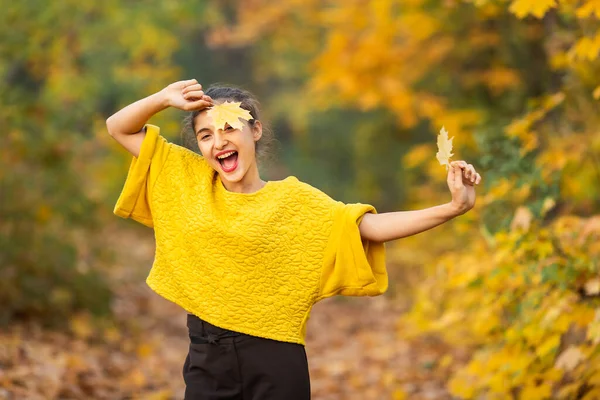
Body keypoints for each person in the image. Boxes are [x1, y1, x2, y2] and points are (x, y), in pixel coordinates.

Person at [106, 79, 481, 400]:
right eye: (206, 135)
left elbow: (368, 227)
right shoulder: (187, 178)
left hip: (275, 360)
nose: (218, 142)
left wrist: (451, 208)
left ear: (255, 131)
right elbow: (118, 127)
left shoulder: (294, 201)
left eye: (229, 128)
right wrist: (163, 99)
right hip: (207, 356)